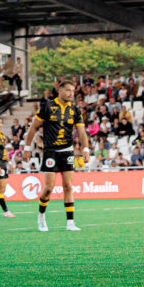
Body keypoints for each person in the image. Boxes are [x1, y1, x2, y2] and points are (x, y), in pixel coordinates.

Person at [24, 81, 90, 232]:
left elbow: (81, 132)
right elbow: (34, 127)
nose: (70, 94)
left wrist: (85, 148)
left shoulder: (74, 110)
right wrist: (27, 148)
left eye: (73, 91)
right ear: (59, 90)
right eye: (67, 90)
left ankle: (70, 222)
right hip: (50, 151)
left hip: (67, 151)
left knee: (68, 186)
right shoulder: (47, 107)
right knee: (48, 188)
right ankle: (41, 216)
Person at [0, 117, 15, 218]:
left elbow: (4, 151)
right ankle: (6, 211)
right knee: (0, 188)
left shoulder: (1, 135)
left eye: (0, 123)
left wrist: (10, 163)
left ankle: (6, 211)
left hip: (2, 163)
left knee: (2, 189)